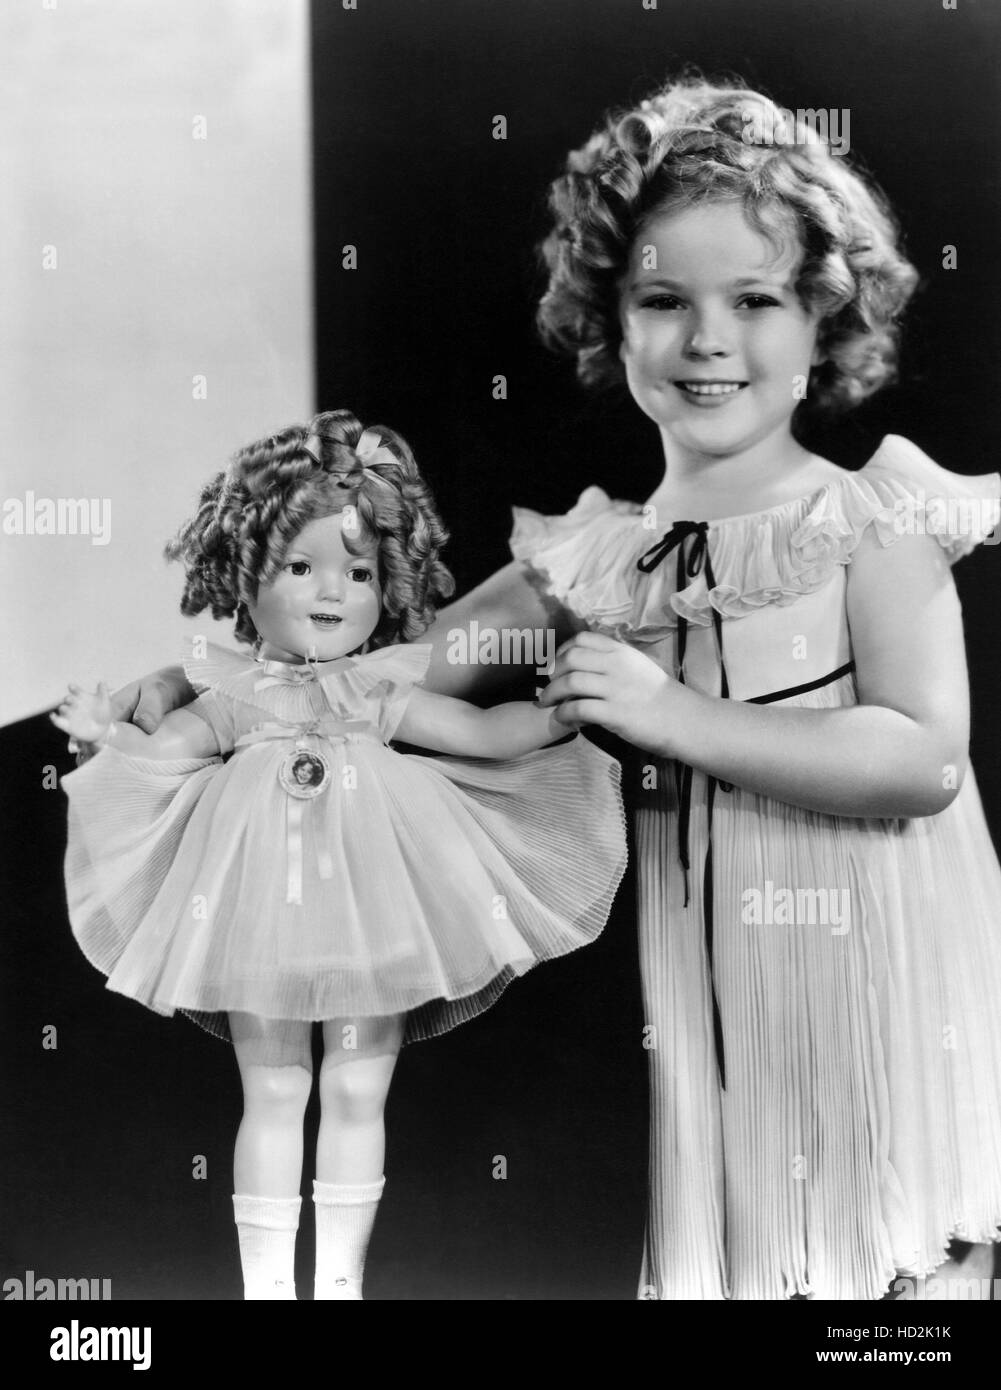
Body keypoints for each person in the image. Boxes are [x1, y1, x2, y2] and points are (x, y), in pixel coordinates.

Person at [101, 73, 1001, 1300]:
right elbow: (378, 673)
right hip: (710, 969)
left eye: (754, 300)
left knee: (896, 1256)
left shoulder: (867, 523)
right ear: (608, 317)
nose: (706, 341)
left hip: (874, 945)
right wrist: (205, 681)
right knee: (742, 1241)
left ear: (822, 318)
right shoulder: (595, 555)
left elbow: (921, 760)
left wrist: (671, 715)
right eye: (661, 300)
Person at [52, 410, 626, 1301]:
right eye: (300, 566)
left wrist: (557, 716)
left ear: (388, 579)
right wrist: (107, 736)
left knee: (359, 1093)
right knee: (275, 1095)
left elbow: (475, 731)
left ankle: (343, 1283)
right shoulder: (234, 689)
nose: (332, 592)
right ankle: (268, 1289)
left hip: (374, 916)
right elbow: (167, 750)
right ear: (245, 572)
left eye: (359, 572)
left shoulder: (377, 685)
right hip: (255, 919)